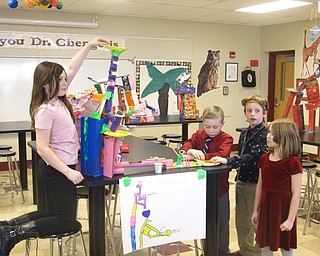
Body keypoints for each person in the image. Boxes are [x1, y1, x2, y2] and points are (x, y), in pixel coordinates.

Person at [0, 36, 109, 256]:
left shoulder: (58, 99)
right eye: (60, 80)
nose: (65, 82)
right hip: (56, 170)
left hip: (58, 169)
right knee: (66, 221)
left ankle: (6, 226)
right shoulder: (45, 110)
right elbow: (42, 148)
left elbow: (71, 67)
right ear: (46, 84)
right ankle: (14, 234)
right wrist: (68, 172)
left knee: (51, 211)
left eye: (63, 79)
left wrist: (87, 46)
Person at [212, 95, 269, 256]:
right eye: (249, 110)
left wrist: (229, 161)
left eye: (257, 111)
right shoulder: (244, 133)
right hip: (242, 180)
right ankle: (246, 250)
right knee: (241, 220)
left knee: (255, 221)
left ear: (264, 113)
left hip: (256, 183)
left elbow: (253, 157)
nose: (252, 114)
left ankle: (258, 253)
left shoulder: (265, 134)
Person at [180, 105, 233, 256]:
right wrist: (189, 150)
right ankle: (207, 251)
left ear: (222, 124)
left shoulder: (226, 138)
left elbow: (221, 154)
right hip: (200, 187)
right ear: (203, 122)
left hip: (219, 188)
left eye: (215, 127)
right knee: (204, 222)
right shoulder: (198, 135)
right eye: (207, 126)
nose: (211, 130)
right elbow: (185, 147)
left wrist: (201, 155)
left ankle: (223, 252)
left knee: (221, 222)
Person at [251, 118, 302, 256]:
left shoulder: (292, 162)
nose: (268, 136)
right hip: (267, 208)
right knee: (265, 245)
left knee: (286, 247)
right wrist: (255, 210)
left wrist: (290, 219)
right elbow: (260, 185)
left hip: (284, 209)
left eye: (272, 133)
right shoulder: (264, 159)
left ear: (284, 137)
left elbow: (296, 193)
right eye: (269, 132)